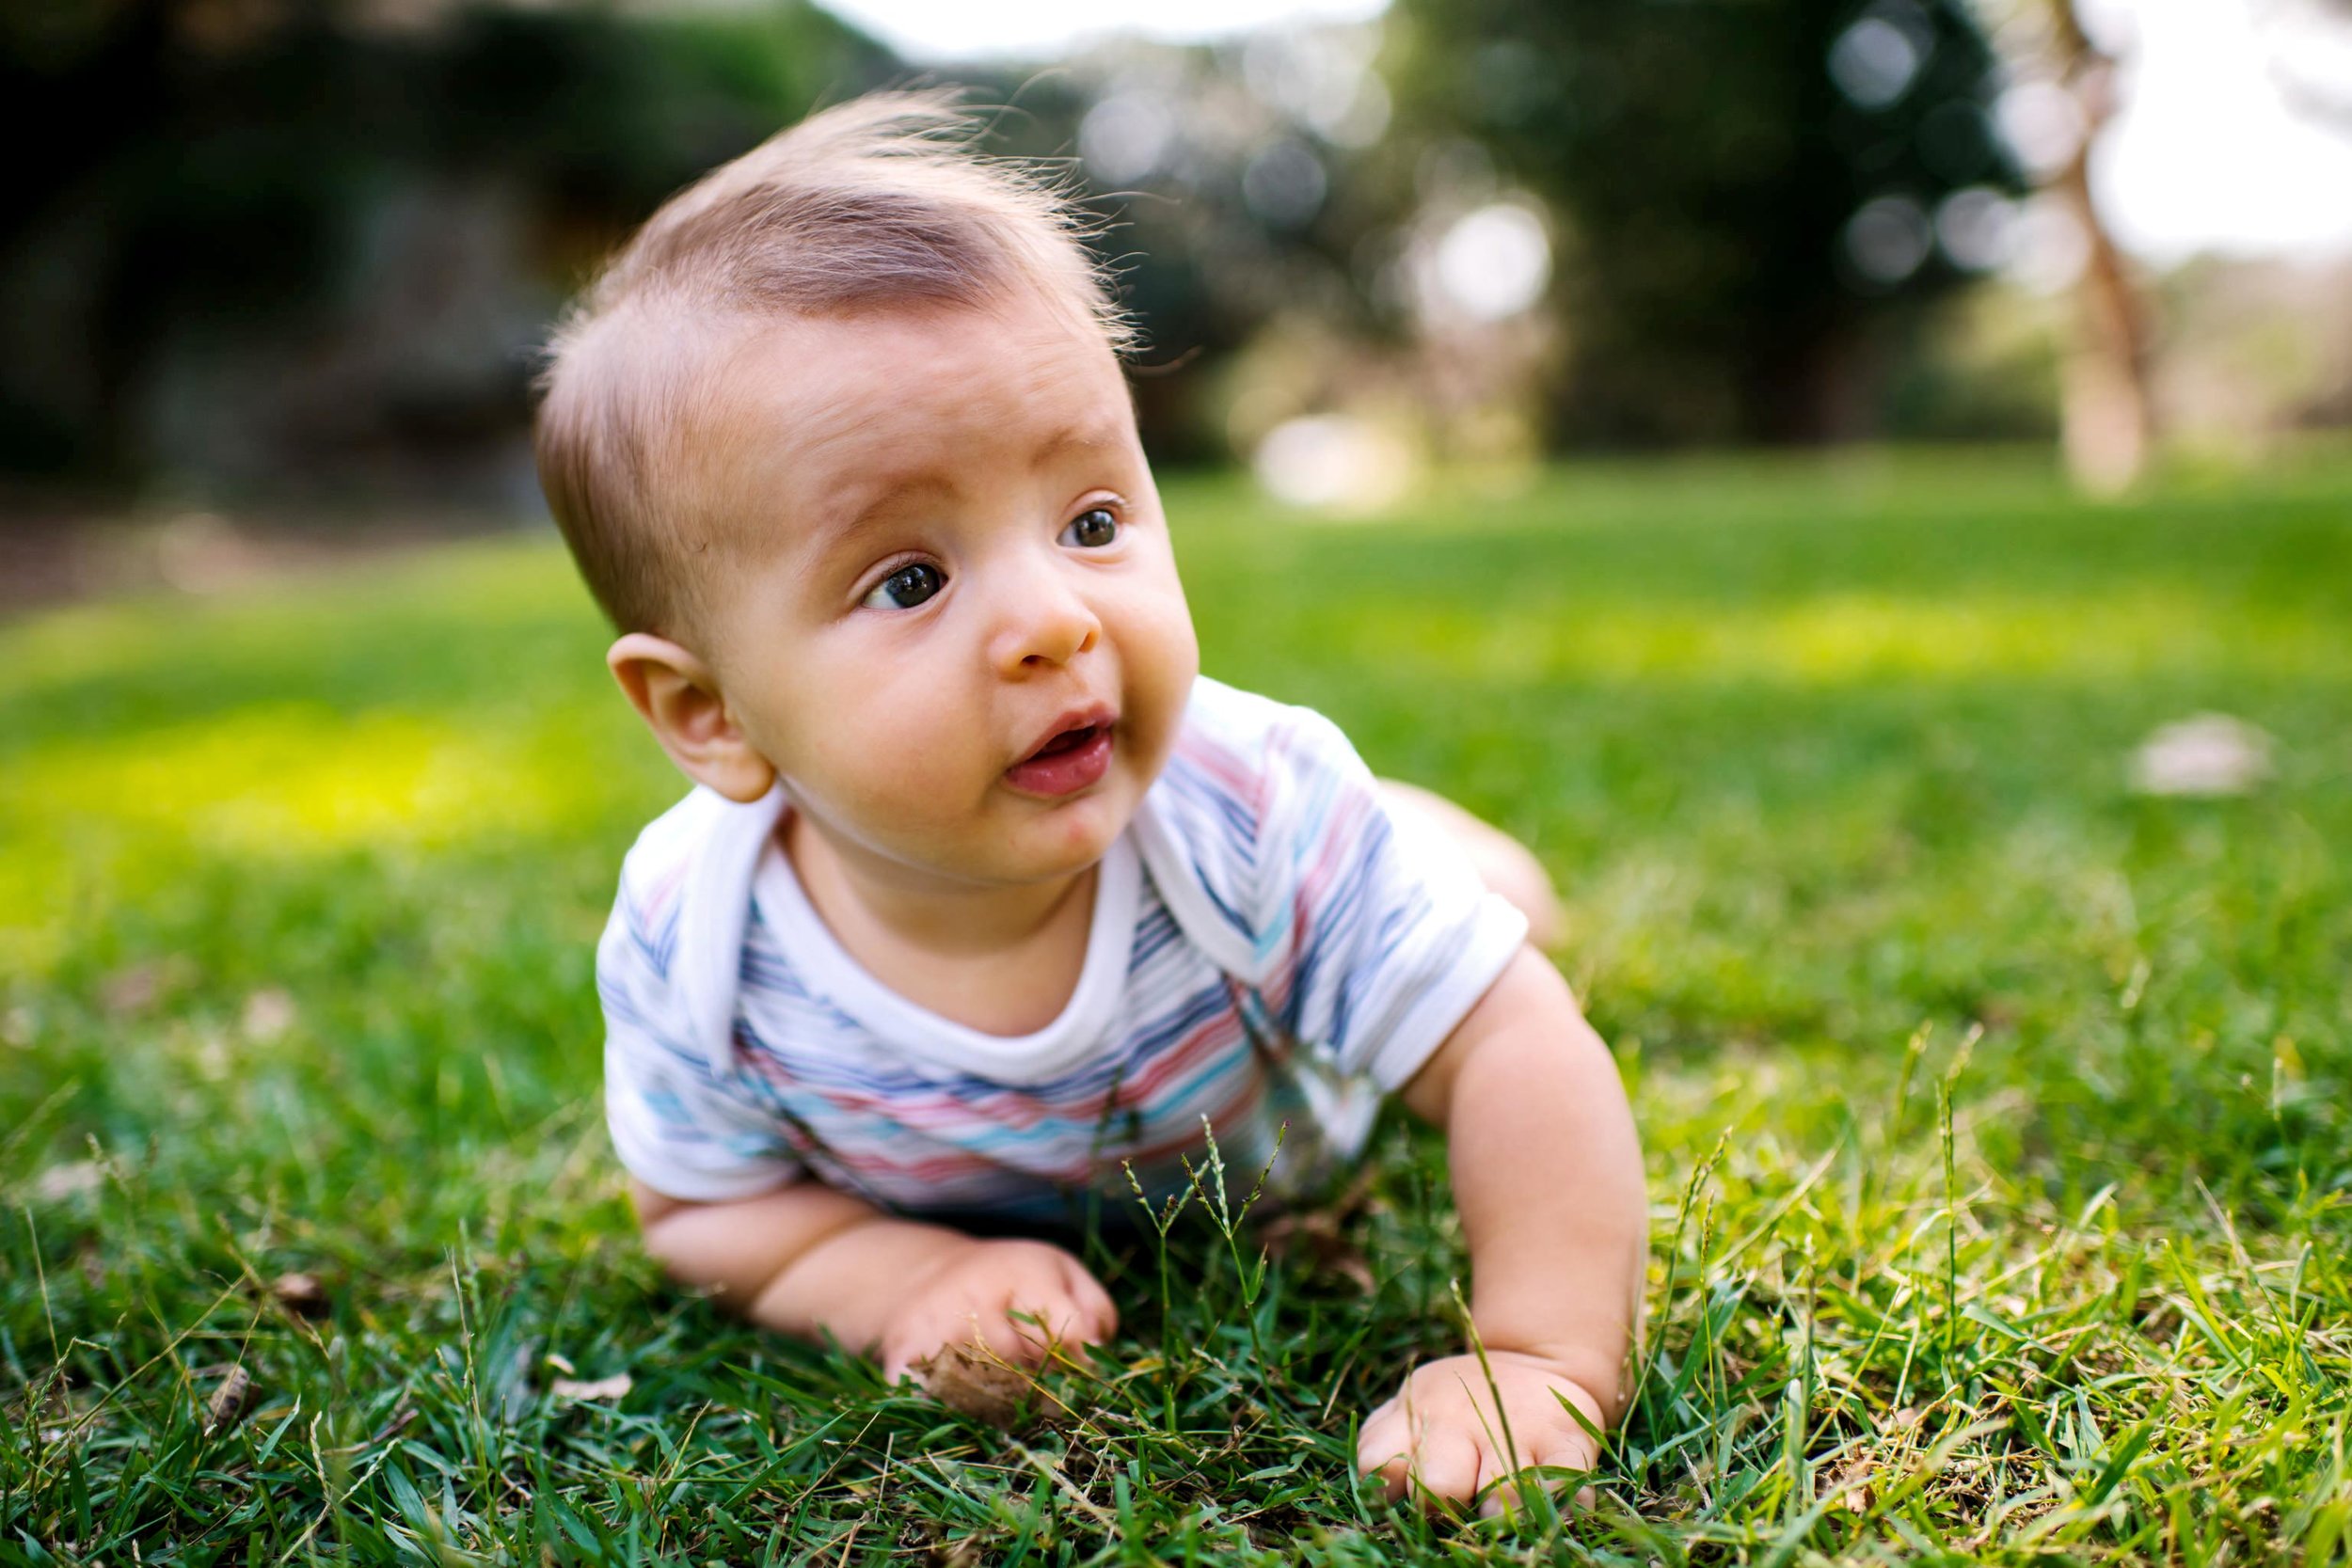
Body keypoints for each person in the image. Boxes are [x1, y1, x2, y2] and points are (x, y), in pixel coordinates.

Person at [532, 90, 1646, 1517]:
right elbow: (706, 1210)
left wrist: (1540, 1351)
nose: (1055, 620)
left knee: (1499, 924)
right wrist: (904, 1280)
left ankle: (1435, 848)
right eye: (911, 580)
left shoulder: (1247, 809)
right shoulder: (698, 937)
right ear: (712, 717)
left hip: (1289, 1108)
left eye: (1093, 522)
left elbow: (1511, 1045)